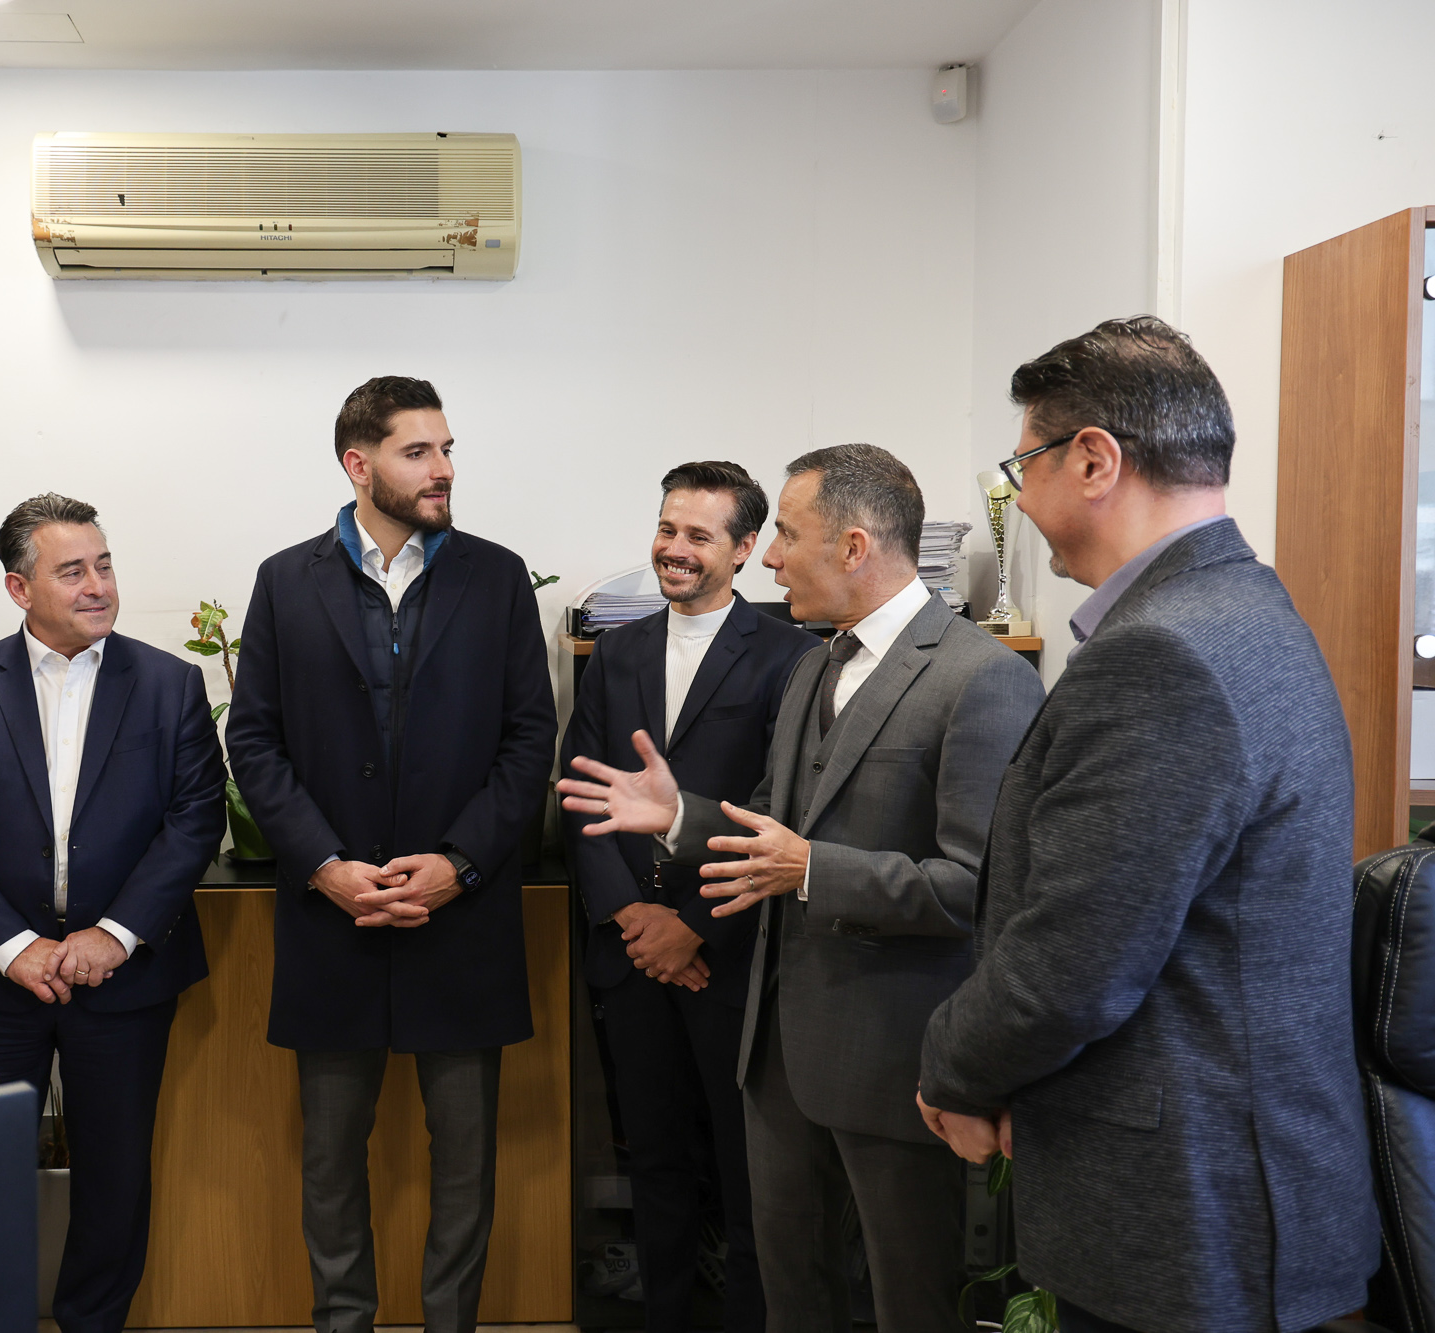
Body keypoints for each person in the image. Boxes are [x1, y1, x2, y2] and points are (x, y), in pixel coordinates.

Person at [916, 318, 1380, 1333]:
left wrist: (951, 1065)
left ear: (1092, 460)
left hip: (1190, 1219)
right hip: (1242, 1193)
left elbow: (1068, 964)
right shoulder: (1246, 611)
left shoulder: (1159, 655)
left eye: (1022, 466)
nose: (1019, 498)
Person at [562, 443, 1044, 1332]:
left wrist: (814, 869)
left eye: (786, 535)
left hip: (892, 1061)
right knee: (793, 1295)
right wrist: (678, 816)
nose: (772, 558)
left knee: (908, 1302)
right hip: (776, 1056)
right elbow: (767, 818)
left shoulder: (983, 678)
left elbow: (977, 889)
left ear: (854, 547)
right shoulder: (816, 667)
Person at [226, 376, 557, 1333]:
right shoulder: (285, 580)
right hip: (335, 918)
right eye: (419, 452)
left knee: (466, 1160)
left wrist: (459, 863)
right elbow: (255, 742)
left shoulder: (497, 576)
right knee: (331, 1161)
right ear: (358, 464)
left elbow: (528, 741)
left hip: (463, 918)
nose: (443, 468)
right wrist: (323, 865)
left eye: (447, 449)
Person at [0, 493, 225, 1333]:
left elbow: (196, 819)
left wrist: (114, 935)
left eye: (105, 565)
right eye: (73, 570)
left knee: (114, 1182)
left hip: (123, 980)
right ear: (20, 588)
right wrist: (13, 945)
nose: (98, 585)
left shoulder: (170, 684)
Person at [561, 460, 815, 1333]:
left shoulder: (792, 656)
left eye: (698, 535)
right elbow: (580, 793)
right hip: (633, 959)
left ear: (745, 549)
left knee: (748, 1177)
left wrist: (693, 928)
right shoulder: (617, 651)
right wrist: (632, 916)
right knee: (655, 1166)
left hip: (730, 958)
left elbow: (784, 810)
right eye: (667, 529)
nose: (674, 548)